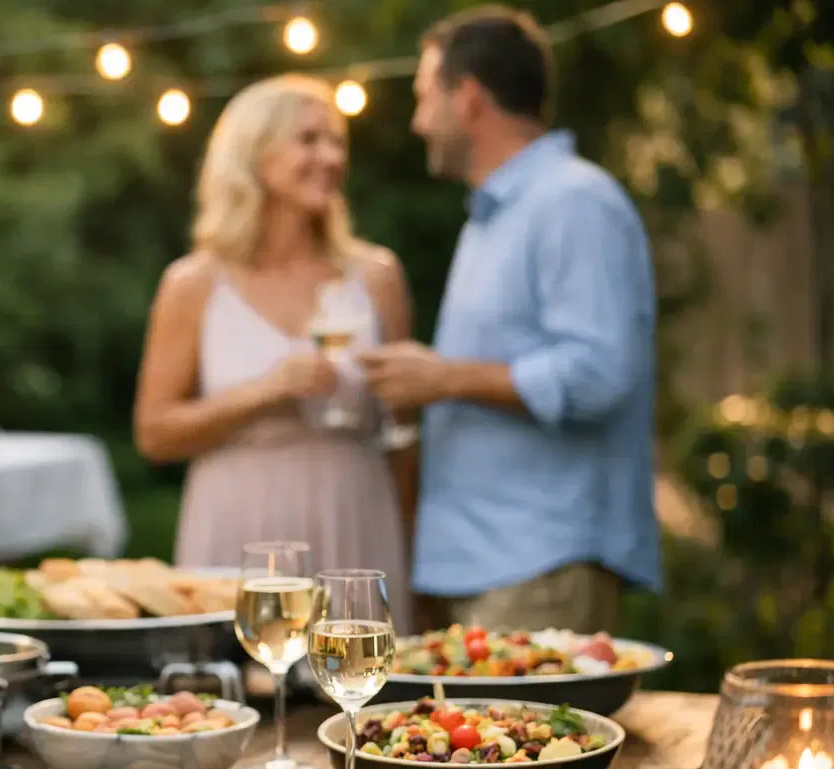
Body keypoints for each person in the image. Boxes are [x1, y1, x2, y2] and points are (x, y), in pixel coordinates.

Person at [360, 5, 660, 637]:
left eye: (423, 99)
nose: (417, 123)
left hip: (541, 565)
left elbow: (599, 374)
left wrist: (441, 379)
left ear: (467, 99)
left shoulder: (573, 201)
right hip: (486, 564)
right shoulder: (493, 216)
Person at [133, 74, 417, 632]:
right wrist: (268, 389)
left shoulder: (376, 276)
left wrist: (413, 560)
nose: (330, 157)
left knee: (363, 706)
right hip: (239, 528)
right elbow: (155, 433)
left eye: (337, 142)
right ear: (253, 153)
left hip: (356, 518)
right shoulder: (193, 284)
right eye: (309, 140)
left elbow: (405, 437)